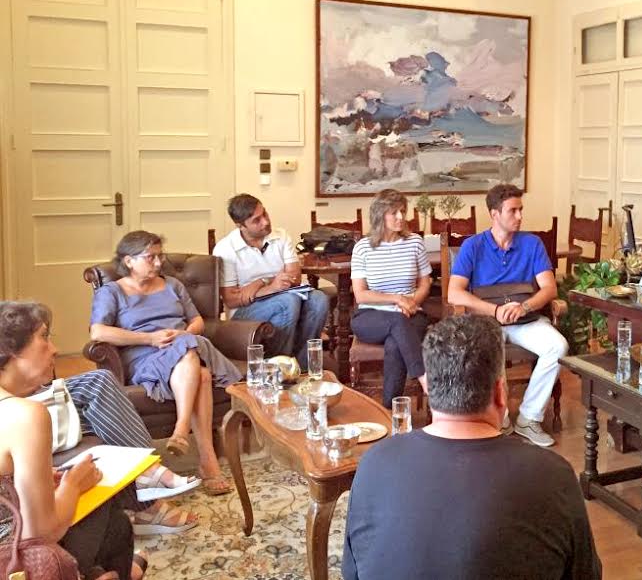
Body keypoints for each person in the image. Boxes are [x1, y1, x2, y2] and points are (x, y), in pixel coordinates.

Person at [342, 314, 601, 580]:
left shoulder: (374, 464)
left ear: (430, 387)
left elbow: (352, 573)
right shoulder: (553, 474)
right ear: (500, 394)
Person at [1, 304, 146, 580]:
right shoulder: (24, 415)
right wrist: (74, 485)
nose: (54, 349)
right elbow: (42, 532)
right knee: (113, 520)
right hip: (14, 563)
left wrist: (44, 479)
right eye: (44, 337)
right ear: (10, 351)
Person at [90, 231, 240, 495]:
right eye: (151, 257)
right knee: (200, 371)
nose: (159, 263)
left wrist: (184, 335)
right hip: (144, 357)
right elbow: (98, 332)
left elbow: (197, 321)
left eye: (160, 256)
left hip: (183, 349)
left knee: (196, 363)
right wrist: (149, 338)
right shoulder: (112, 292)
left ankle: (193, 445)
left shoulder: (172, 285)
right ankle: (200, 453)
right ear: (129, 261)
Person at [447, 183, 568, 447]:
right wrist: (495, 310)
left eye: (520, 209)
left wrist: (524, 307)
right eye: (513, 210)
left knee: (558, 346)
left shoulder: (532, 244)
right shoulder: (473, 246)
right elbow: (454, 293)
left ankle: (529, 418)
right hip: (486, 321)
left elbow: (549, 289)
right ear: (494, 214)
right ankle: (499, 420)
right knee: (492, 347)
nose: (520, 216)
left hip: (525, 319)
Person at [213, 194, 329, 368]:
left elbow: (294, 277)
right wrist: (272, 286)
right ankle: (278, 368)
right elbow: (231, 299)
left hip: (280, 294)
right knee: (287, 301)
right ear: (240, 226)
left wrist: (260, 283)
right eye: (256, 220)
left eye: (265, 214)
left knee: (319, 299)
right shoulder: (226, 249)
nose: (266, 222)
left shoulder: (281, 236)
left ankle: (302, 366)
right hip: (244, 312)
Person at [350, 189, 431, 407]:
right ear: (380, 215)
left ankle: (390, 412)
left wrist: (411, 302)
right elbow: (361, 294)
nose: (401, 217)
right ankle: (424, 377)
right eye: (394, 212)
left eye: (403, 211)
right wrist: (397, 299)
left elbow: (425, 284)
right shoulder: (363, 248)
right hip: (371, 316)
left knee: (395, 344)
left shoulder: (415, 242)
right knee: (397, 321)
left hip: (411, 313)